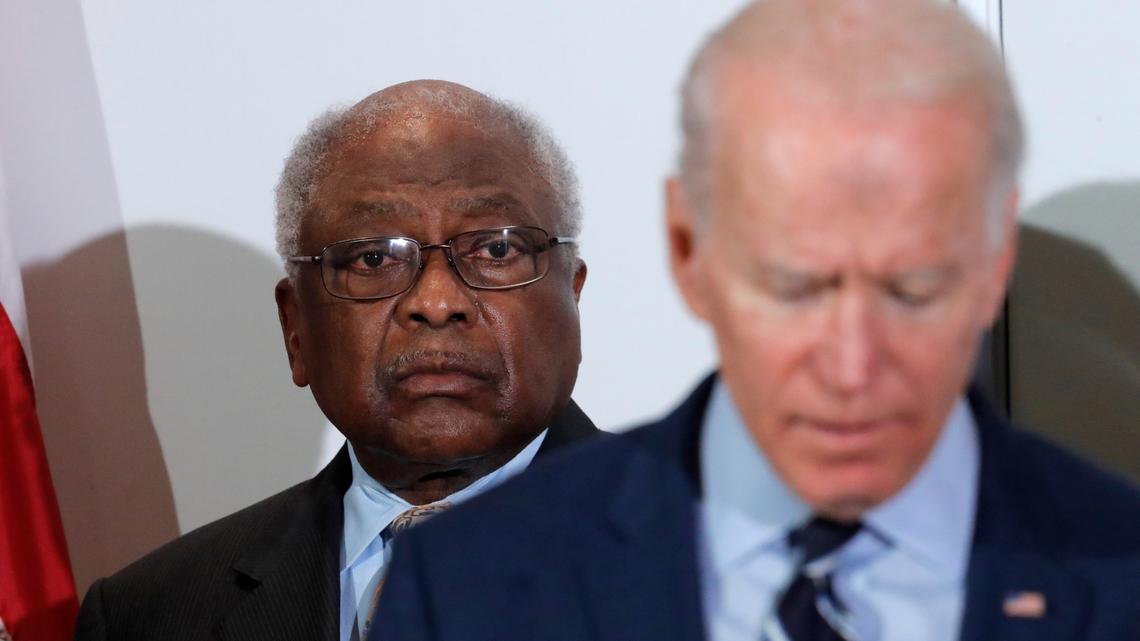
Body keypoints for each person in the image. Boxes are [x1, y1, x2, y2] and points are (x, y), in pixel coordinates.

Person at [371, 2, 1140, 641]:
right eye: (793, 285)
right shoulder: (467, 585)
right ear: (688, 248)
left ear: (994, 260)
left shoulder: (1122, 571)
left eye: (913, 288)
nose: (851, 365)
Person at [73, 80, 599, 641]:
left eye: (496, 249)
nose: (436, 303)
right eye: (373, 258)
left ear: (573, 294)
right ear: (295, 328)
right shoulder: (148, 615)